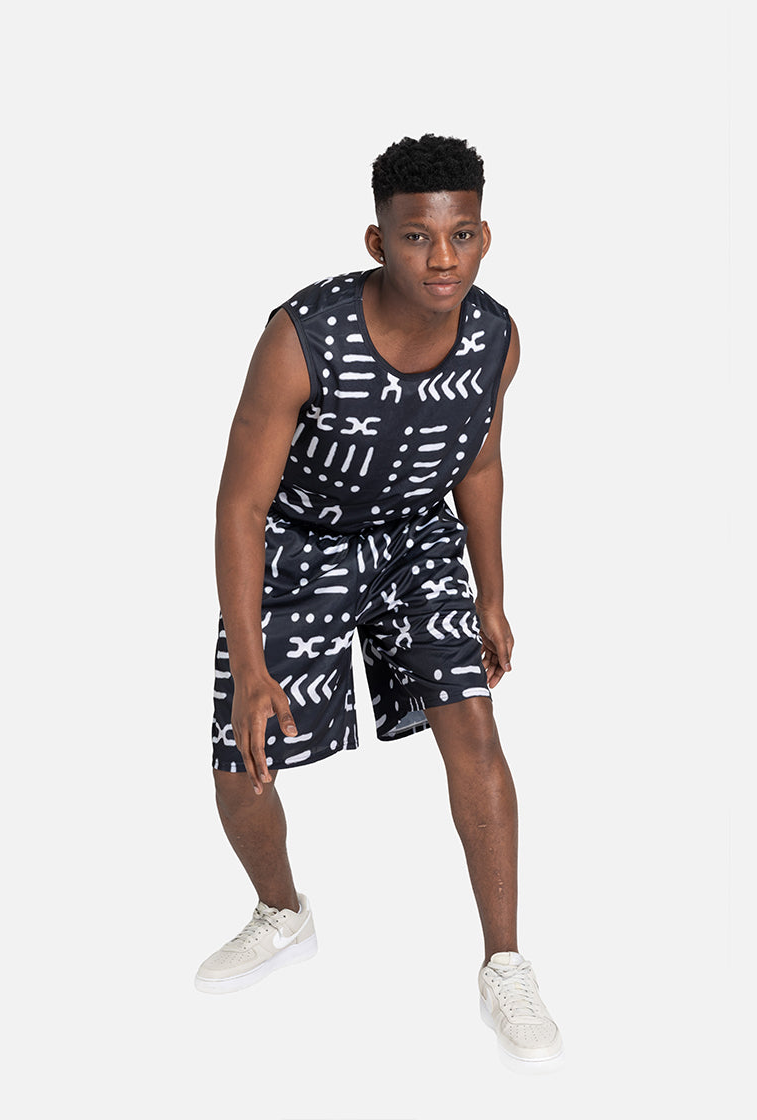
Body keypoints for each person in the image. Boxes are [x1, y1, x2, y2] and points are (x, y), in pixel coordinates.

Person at [195, 134, 563, 1069]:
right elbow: (240, 505)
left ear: (484, 236)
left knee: (473, 726)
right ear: (377, 241)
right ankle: (281, 911)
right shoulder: (303, 335)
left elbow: (480, 461)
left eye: (461, 235)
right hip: (303, 543)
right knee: (244, 763)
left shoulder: (496, 337)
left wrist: (491, 595)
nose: (442, 258)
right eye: (416, 237)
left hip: (415, 538)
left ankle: (506, 966)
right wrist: (251, 665)